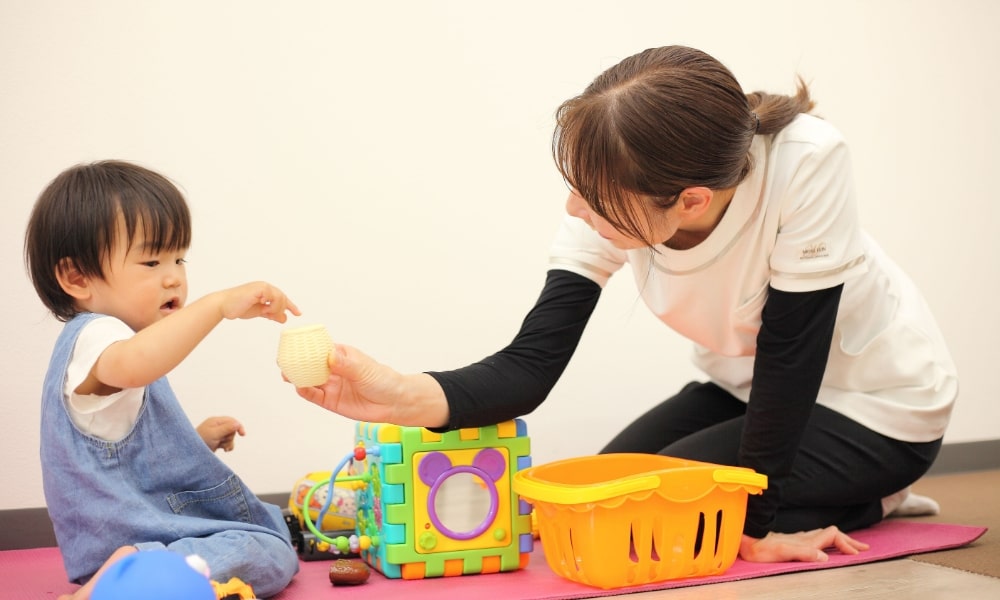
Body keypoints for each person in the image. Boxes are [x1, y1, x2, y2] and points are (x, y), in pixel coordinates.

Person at [290, 46, 958, 564]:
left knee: (650, 517)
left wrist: (748, 531)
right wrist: (401, 397)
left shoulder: (807, 162)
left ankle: (874, 496)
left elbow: (791, 358)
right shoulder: (614, 184)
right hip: (748, 388)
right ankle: (810, 495)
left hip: (881, 406)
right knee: (584, 497)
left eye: (594, 199)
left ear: (691, 199)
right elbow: (532, 364)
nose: (574, 211)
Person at [24, 160, 302, 599]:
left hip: (130, 535)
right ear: (76, 277)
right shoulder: (98, 335)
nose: (173, 275)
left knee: (265, 539)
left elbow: (121, 454)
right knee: (267, 548)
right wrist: (216, 306)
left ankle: (134, 577)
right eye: (151, 260)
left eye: (179, 258)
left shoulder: (112, 342)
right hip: (130, 533)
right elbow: (136, 363)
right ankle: (138, 569)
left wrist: (194, 441)